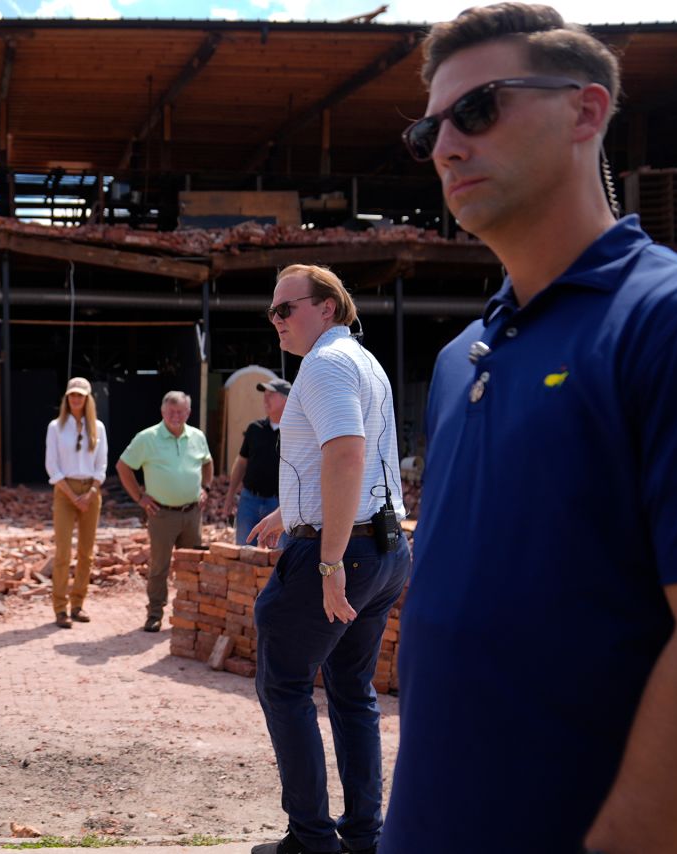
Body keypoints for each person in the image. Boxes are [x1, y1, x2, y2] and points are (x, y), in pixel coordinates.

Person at [383, 6, 677, 853]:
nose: (445, 146)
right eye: (428, 130)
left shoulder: (666, 322)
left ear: (585, 111)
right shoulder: (461, 359)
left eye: (477, 110)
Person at [247, 265, 410, 854]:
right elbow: (348, 466)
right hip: (387, 549)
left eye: (285, 308)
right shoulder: (364, 362)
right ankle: (365, 834)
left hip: (346, 552)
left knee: (285, 685)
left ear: (329, 308)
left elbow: (346, 457)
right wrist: (293, 514)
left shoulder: (323, 365)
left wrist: (328, 558)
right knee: (350, 688)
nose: (276, 321)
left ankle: (313, 840)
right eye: (273, 311)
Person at [116, 391, 213, 632]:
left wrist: (206, 488)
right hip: (162, 514)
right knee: (160, 567)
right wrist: (139, 497)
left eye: (180, 412)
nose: (175, 416)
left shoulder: (197, 436)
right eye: (171, 411)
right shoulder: (147, 438)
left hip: (192, 513)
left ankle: (189, 614)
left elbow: (207, 462)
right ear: (162, 412)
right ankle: (155, 614)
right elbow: (123, 466)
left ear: (188, 413)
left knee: (193, 564)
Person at [44, 376, 108, 629]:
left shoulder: (98, 428)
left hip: (91, 491)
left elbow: (102, 464)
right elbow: (52, 465)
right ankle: (60, 608)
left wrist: (91, 493)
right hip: (65, 490)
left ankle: (77, 604)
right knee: (62, 552)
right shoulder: (55, 427)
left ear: (87, 398)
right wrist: (73, 496)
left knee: (86, 552)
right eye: (72, 395)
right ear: (67, 398)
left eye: (80, 395)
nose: (75, 399)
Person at [226, 379, 289, 546]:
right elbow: (241, 463)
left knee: (280, 556)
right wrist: (230, 495)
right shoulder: (254, 428)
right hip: (249, 501)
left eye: (271, 395)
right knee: (244, 552)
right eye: (264, 395)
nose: (265, 399)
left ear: (286, 399)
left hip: (280, 505)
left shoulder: (296, 431)